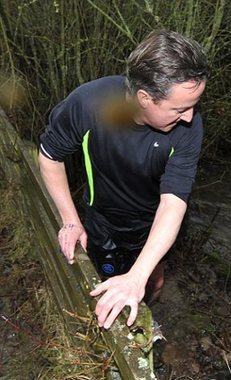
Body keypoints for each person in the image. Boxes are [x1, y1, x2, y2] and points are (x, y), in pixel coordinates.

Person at [38, 30, 208, 329]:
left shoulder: (188, 129)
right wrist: (70, 220)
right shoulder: (91, 103)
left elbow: (173, 203)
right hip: (104, 223)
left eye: (194, 105)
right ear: (144, 97)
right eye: (180, 108)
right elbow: (50, 155)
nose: (190, 118)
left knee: (153, 282)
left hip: (155, 226)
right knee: (104, 280)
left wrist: (139, 276)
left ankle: (146, 311)